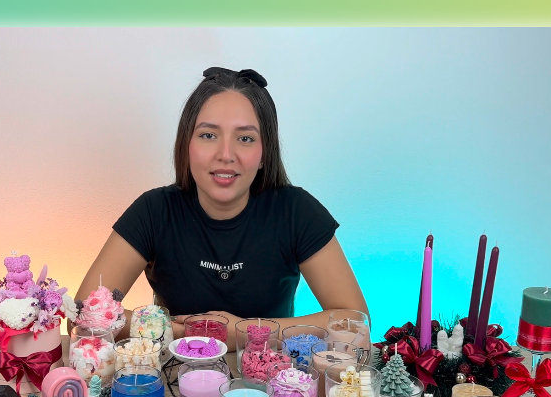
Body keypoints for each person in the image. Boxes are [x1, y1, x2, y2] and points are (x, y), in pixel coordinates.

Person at [75, 67, 368, 339]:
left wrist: (244, 332)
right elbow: (84, 313)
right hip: (172, 369)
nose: (226, 154)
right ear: (186, 146)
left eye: (245, 138)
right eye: (208, 135)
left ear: (265, 153)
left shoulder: (297, 211)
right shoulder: (154, 211)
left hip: (274, 373)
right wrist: (190, 334)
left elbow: (356, 322)